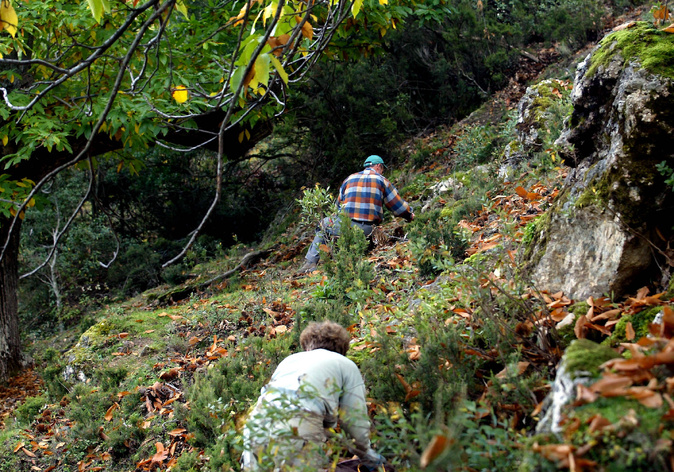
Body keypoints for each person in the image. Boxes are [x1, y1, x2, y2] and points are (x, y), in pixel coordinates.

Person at [241, 321, 385, 471]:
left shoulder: (289, 361)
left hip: (255, 426)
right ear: (343, 348)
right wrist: (368, 454)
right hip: (297, 424)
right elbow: (354, 421)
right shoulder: (344, 364)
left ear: (307, 345)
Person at [299, 155, 415, 274]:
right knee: (363, 243)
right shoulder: (382, 180)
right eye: (382, 169)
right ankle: (355, 253)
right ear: (379, 166)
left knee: (324, 224)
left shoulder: (349, 179)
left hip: (345, 227)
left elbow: (337, 207)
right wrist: (409, 215)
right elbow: (397, 207)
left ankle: (310, 263)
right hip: (367, 230)